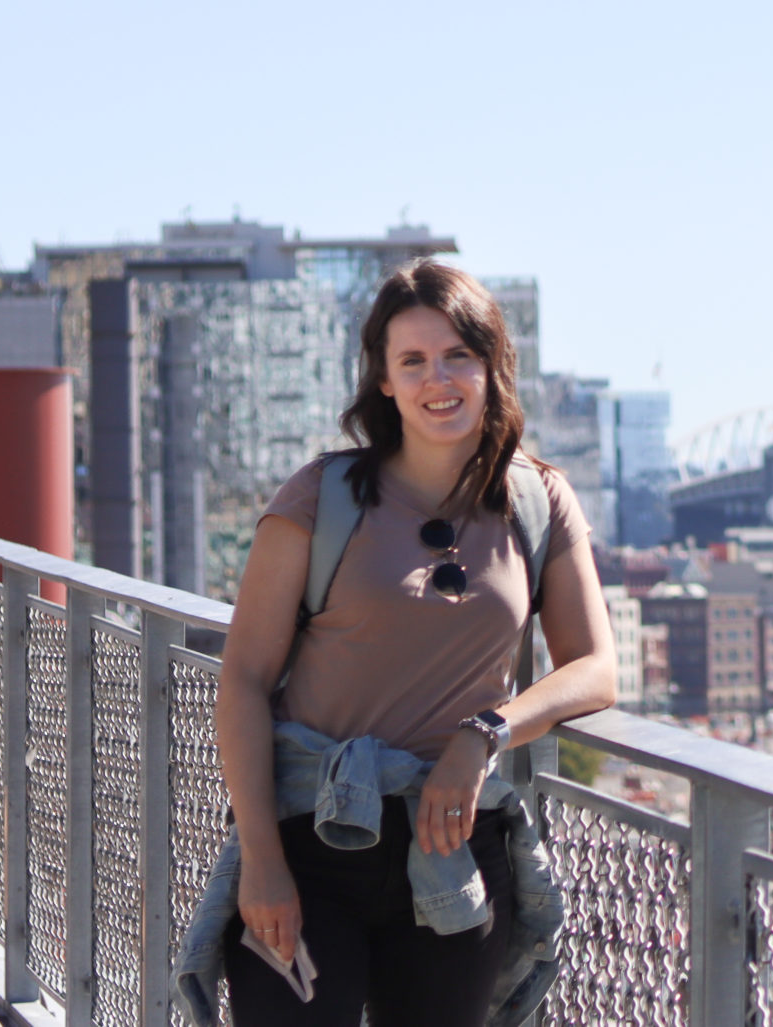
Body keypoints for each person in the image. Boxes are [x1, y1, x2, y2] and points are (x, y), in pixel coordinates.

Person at [199, 260, 617, 1026]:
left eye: (459, 353)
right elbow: (245, 680)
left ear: (493, 366)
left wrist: (485, 734)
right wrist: (260, 858)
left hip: (455, 844)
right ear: (384, 381)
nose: (440, 378)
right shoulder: (318, 497)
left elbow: (596, 668)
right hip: (312, 840)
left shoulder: (539, 499)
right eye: (414, 360)